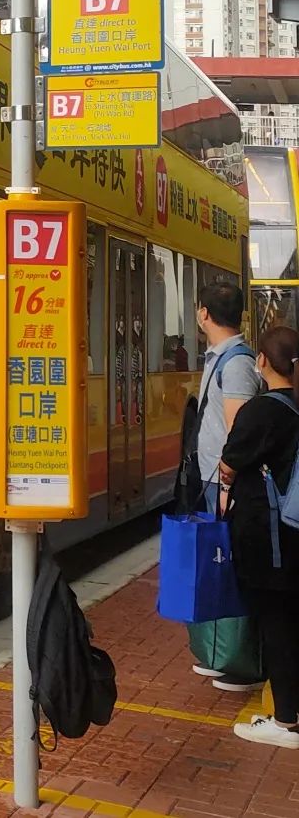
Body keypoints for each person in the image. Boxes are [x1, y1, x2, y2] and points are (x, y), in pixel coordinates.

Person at [220, 326, 299, 750]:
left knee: (277, 622)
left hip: (272, 538)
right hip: (295, 531)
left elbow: (229, 463)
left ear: (263, 361)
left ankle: (287, 721)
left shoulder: (261, 411)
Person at [187, 282, 262, 689]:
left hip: (227, 484)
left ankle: (242, 663)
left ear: (203, 315)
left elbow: (239, 432)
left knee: (234, 569)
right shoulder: (221, 358)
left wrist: (228, 485)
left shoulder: (234, 363)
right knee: (221, 568)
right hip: (216, 480)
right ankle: (222, 651)